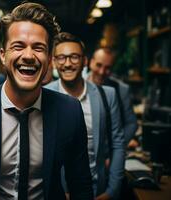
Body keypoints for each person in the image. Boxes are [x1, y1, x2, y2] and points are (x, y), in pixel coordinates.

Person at [0, 2, 93, 200]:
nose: (28, 56)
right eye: (18, 46)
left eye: (38, 48)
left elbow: (81, 186)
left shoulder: (69, 111)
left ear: (49, 58)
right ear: (3, 55)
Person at [45, 32, 125, 199]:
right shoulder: (44, 96)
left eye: (74, 57)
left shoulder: (107, 95)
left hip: (99, 189)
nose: (67, 64)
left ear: (85, 61)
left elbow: (118, 143)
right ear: (53, 62)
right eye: (61, 58)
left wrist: (112, 191)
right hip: (59, 192)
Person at [88, 47, 138, 144]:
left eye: (108, 68)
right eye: (99, 65)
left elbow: (131, 124)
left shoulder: (121, 89)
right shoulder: (78, 84)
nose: (102, 72)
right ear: (91, 62)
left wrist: (116, 147)